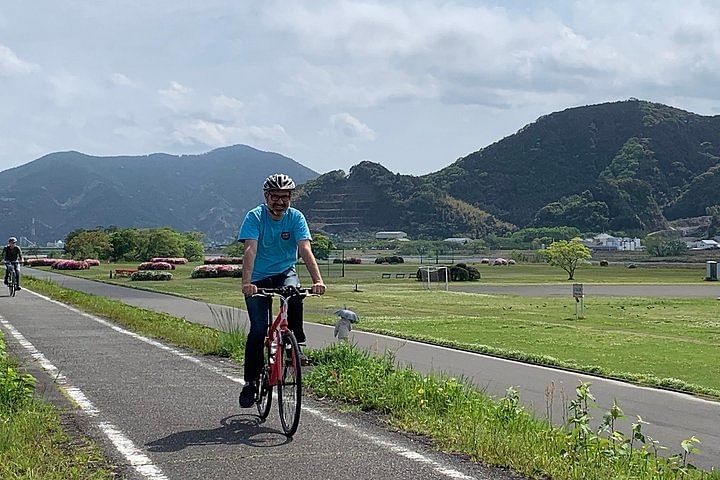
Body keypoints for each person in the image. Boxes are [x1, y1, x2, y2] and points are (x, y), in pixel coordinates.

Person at [237, 173, 326, 408]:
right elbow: (250, 251)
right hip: (257, 276)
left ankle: (294, 342)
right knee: (258, 330)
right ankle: (250, 382)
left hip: (285, 271)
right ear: (266, 196)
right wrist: (247, 282)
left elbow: (305, 250)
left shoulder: (296, 218)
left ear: (290, 198)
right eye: (275, 196)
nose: (280, 201)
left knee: (295, 293)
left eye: (284, 197)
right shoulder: (255, 217)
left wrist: (318, 280)